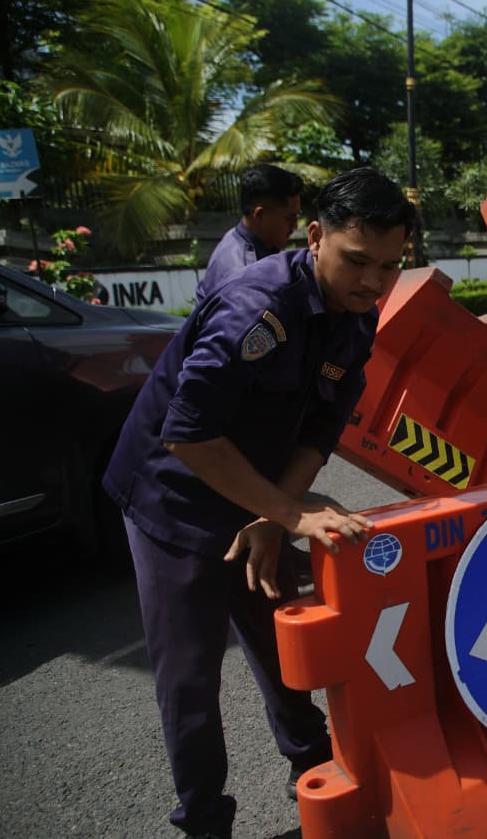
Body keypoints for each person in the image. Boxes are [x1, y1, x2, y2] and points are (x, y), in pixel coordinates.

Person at [103, 167, 417, 839]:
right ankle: (204, 821)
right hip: (174, 494)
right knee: (191, 674)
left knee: (283, 636)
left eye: (389, 266)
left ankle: (315, 765)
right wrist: (291, 513)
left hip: (256, 489)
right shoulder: (257, 307)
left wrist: (273, 515)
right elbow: (188, 434)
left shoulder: (356, 316)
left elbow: (318, 430)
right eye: (357, 260)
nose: (373, 281)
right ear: (315, 237)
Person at [196, 163, 305, 302]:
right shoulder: (243, 277)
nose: (295, 226)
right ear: (259, 214)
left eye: (297, 216)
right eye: (290, 218)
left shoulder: (239, 238)